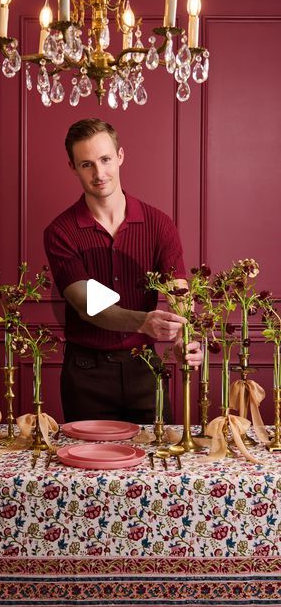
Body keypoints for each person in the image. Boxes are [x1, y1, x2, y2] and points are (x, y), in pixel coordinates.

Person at [44, 118, 202, 424]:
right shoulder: (60, 231)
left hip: (144, 368)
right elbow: (85, 301)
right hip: (86, 374)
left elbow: (178, 288)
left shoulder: (159, 224)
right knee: (86, 469)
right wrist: (144, 321)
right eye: (87, 164)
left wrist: (185, 336)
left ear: (120, 156)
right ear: (72, 167)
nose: (99, 173)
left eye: (105, 160)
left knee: (158, 468)